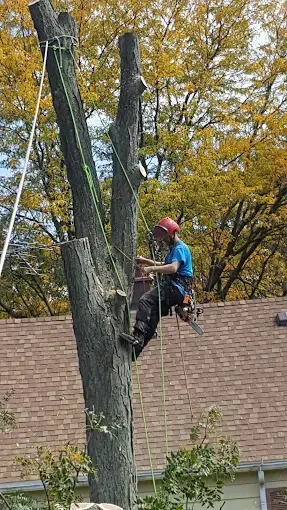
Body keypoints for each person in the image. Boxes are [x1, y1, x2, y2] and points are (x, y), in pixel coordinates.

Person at [120, 217, 193, 359]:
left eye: (165, 237)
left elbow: (172, 268)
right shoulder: (173, 250)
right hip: (176, 290)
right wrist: (145, 261)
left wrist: (150, 269)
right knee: (153, 313)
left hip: (176, 288)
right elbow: (163, 263)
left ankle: (137, 335)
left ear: (172, 234)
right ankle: (136, 350)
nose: (164, 240)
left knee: (145, 300)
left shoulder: (180, 248)